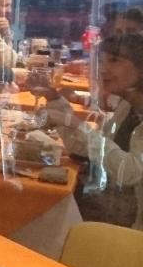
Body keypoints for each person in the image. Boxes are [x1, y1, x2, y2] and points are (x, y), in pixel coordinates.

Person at [47, 32, 143, 230]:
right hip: (109, 210)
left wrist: (75, 124)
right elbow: (92, 150)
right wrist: (53, 98)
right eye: (101, 61)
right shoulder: (127, 107)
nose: (103, 69)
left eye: (114, 61)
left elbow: (130, 172)